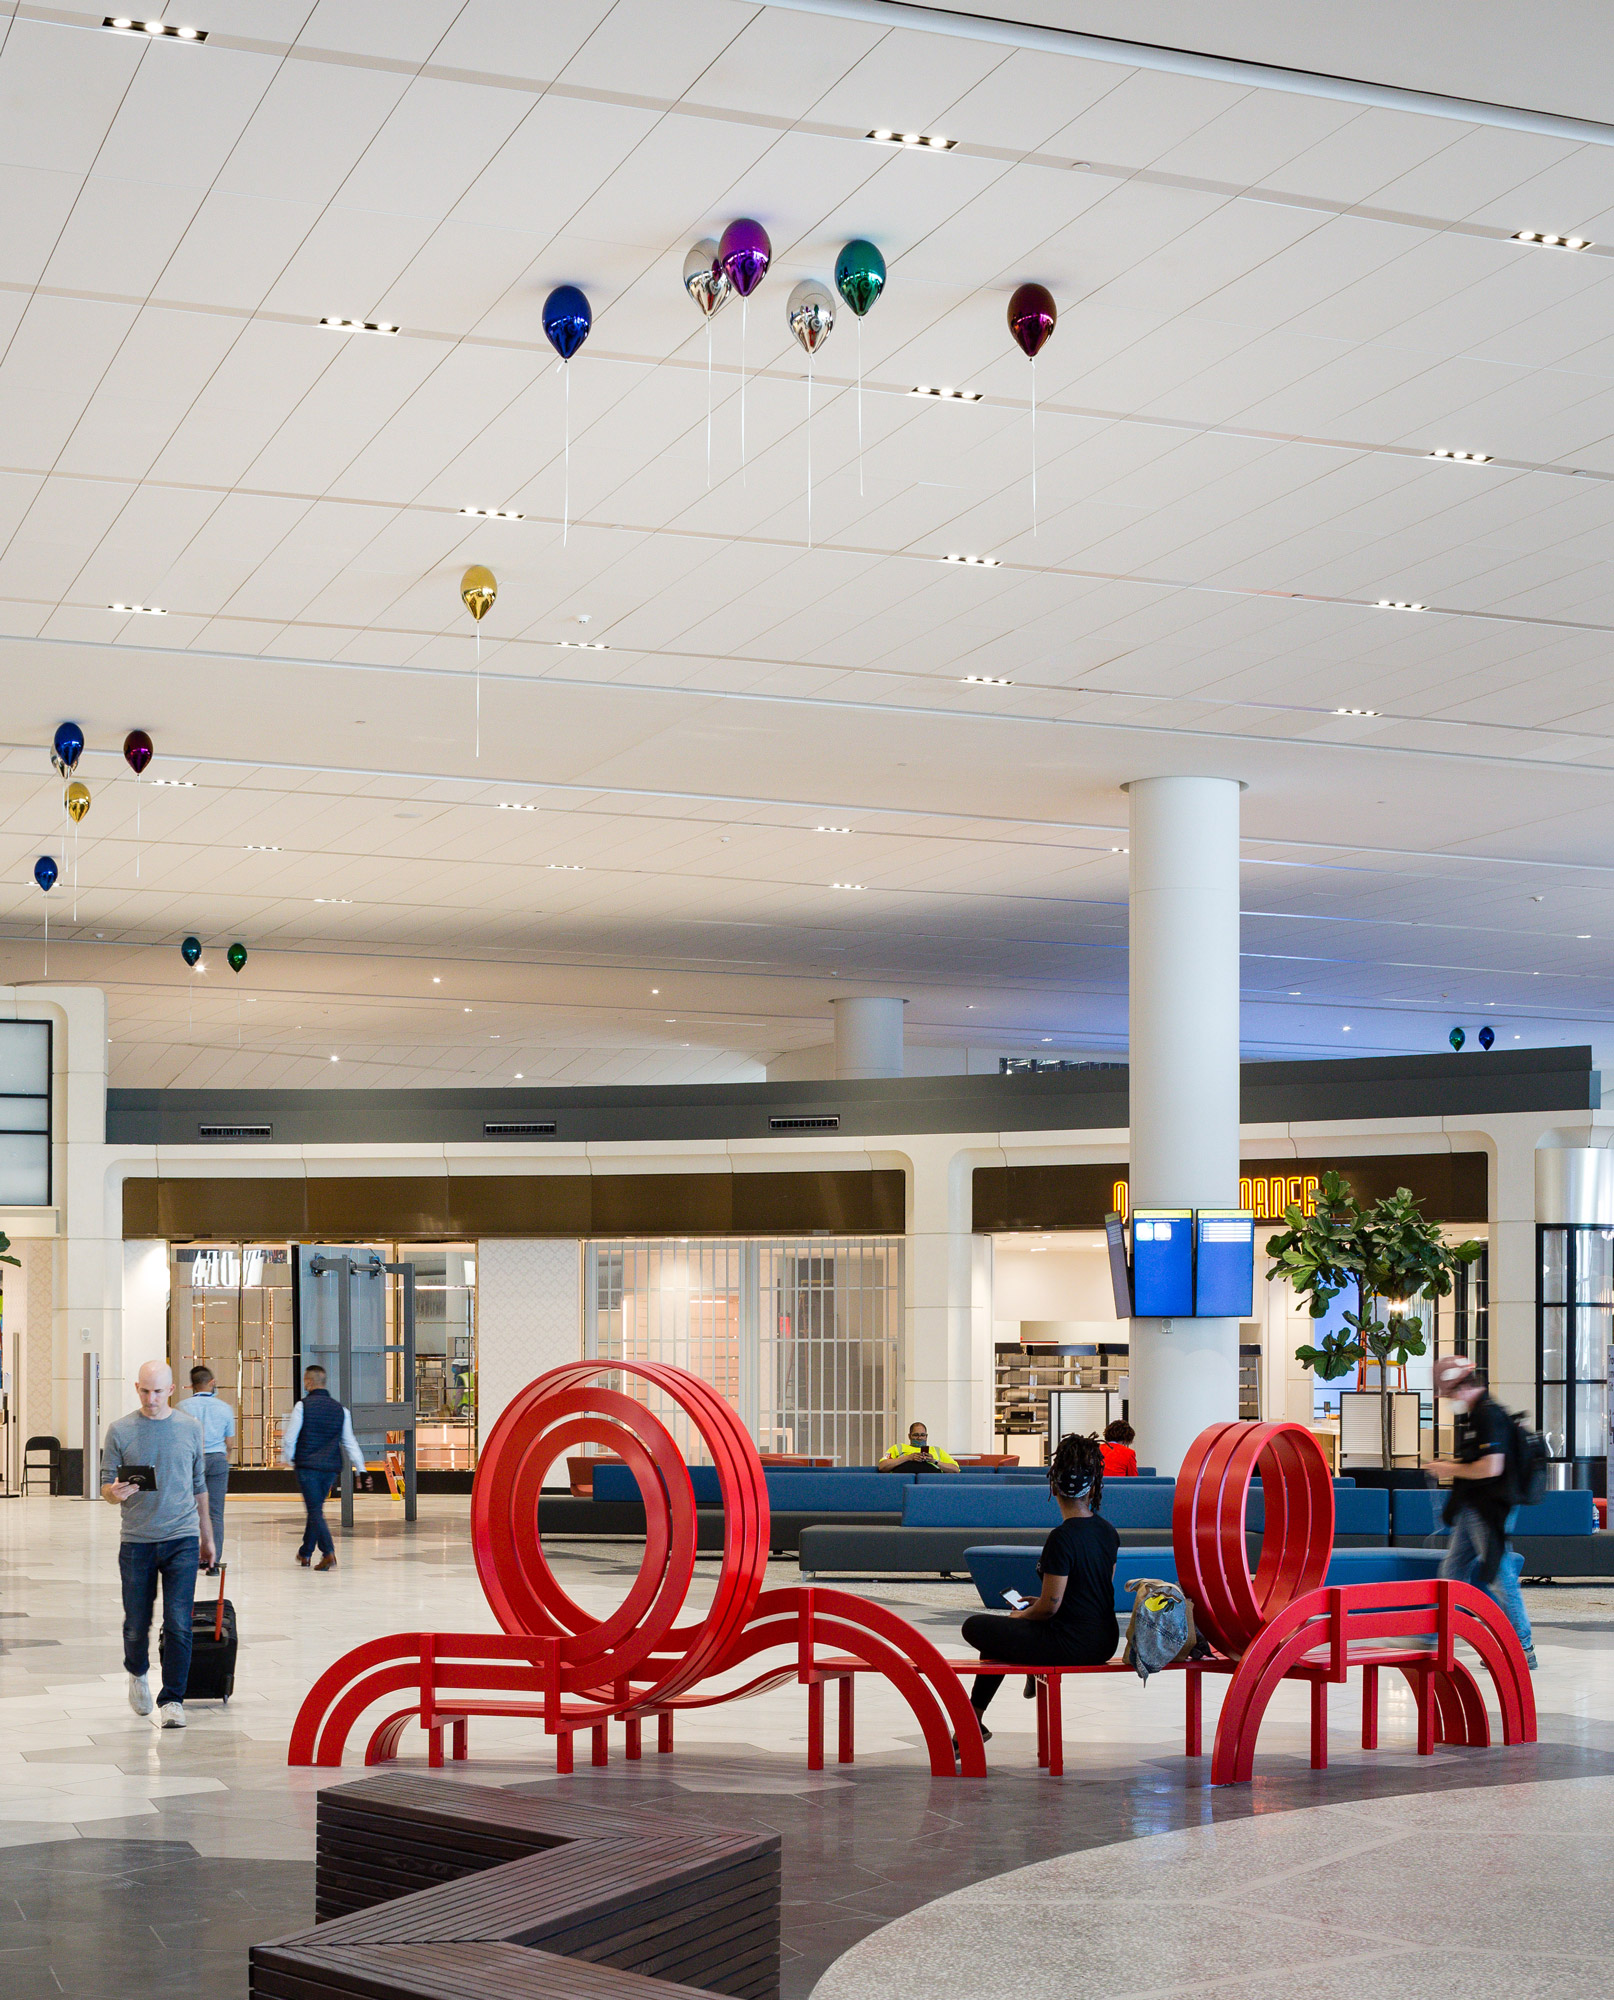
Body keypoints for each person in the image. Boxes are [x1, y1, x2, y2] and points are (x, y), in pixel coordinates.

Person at [958, 1432, 1119, 1740]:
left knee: (978, 1627)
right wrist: (1040, 1603)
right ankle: (970, 1725)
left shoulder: (1062, 1537)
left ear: (1054, 1487)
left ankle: (970, 1724)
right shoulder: (1107, 1531)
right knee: (1004, 1637)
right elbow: (1096, 1592)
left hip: (1072, 1644)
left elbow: (1050, 1608)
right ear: (1094, 1488)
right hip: (1105, 1639)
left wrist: (1024, 1614)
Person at [100, 1359, 215, 1728]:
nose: (151, 1399)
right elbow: (105, 1487)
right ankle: (137, 1672)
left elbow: (199, 1485)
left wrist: (207, 1537)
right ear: (137, 1389)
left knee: (179, 1622)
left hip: (182, 1537)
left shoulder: (189, 1428)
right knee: (136, 1622)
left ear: (171, 1391)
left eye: (158, 1391)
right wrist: (113, 1493)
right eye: (145, 1391)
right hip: (137, 1540)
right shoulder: (120, 1431)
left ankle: (173, 1699)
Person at [1429, 1354, 1536, 1669]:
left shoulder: (1489, 1416)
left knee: (1499, 1575)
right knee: (1453, 1571)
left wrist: (1445, 1467)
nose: (1449, 1401)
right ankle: (1439, 1636)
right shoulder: (1475, 1416)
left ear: (1462, 1387)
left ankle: (1522, 1648)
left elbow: (1492, 1467)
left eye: (1449, 1394)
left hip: (1490, 1508)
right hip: (1474, 1506)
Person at [281, 1364, 370, 1570]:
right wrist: (361, 1468)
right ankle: (305, 1553)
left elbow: (290, 1438)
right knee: (316, 1510)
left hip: (307, 1467)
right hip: (331, 1468)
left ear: (309, 1382)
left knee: (314, 1510)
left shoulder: (302, 1407)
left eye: (305, 1380)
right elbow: (349, 1442)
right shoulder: (341, 1410)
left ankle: (328, 1552)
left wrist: (290, 1458)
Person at [181, 1364, 235, 1573]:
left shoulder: (182, 1407)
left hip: (192, 1461)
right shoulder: (225, 1408)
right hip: (218, 1460)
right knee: (215, 1513)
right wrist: (224, 1456)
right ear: (212, 1383)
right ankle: (213, 1561)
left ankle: (192, 1557)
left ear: (191, 1385)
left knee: (190, 1510)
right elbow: (229, 1442)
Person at [878, 1420, 960, 1473]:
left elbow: (955, 1470)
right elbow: (882, 1466)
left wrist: (934, 1461)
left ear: (926, 1436)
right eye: (916, 1435)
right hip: (903, 1481)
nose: (919, 1438)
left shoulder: (937, 1450)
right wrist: (908, 1458)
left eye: (922, 1435)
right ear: (909, 1436)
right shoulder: (898, 1448)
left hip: (930, 1482)